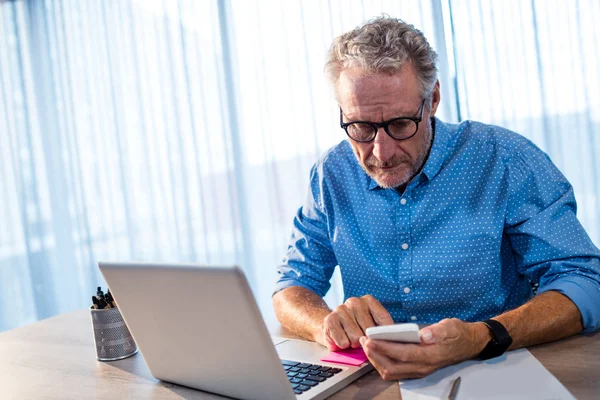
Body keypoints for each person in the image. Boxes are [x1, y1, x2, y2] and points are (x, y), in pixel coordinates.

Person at [272, 16, 600, 380]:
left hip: (494, 370)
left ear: (433, 101)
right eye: (361, 127)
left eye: (399, 125)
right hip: (375, 382)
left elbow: (586, 282)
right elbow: (292, 286)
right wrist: (326, 326)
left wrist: (481, 336)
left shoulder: (504, 160)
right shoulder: (330, 175)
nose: (381, 152)